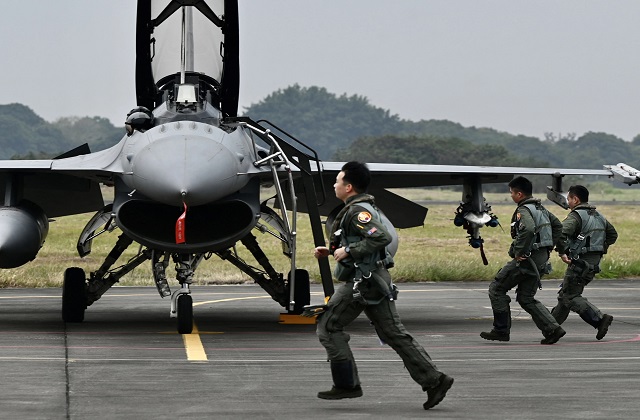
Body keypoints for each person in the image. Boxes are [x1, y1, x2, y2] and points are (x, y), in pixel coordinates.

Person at [313, 161, 454, 410]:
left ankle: (346, 384)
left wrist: (349, 250)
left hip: (363, 281)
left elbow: (381, 236)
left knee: (328, 326)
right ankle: (434, 380)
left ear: (349, 187)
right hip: (373, 279)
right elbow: (363, 240)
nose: (334, 185)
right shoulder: (360, 208)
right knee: (392, 332)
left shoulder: (358, 211)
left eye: (337, 181)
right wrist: (334, 250)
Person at [481, 176, 566, 345]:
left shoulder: (524, 210)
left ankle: (501, 330)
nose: (511, 196)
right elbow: (558, 226)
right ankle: (553, 329)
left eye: (512, 193)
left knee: (496, 289)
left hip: (527, 260)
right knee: (526, 297)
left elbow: (528, 229)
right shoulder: (540, 208)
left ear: (519, 194)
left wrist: (519, 251)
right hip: (540, 260)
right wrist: (548, 246)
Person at [551, 185, 617, 340]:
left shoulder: (576, 216)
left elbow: (560, 233)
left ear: (576, 199)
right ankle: (551, 328)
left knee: (570, 296)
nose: (567, 202)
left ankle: (599, 320)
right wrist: (598, 248)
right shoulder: (599, 216)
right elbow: (612, 235)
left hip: (579, 263)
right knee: (565, 295)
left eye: (569, 199)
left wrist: (562, 252)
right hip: (593, 264)